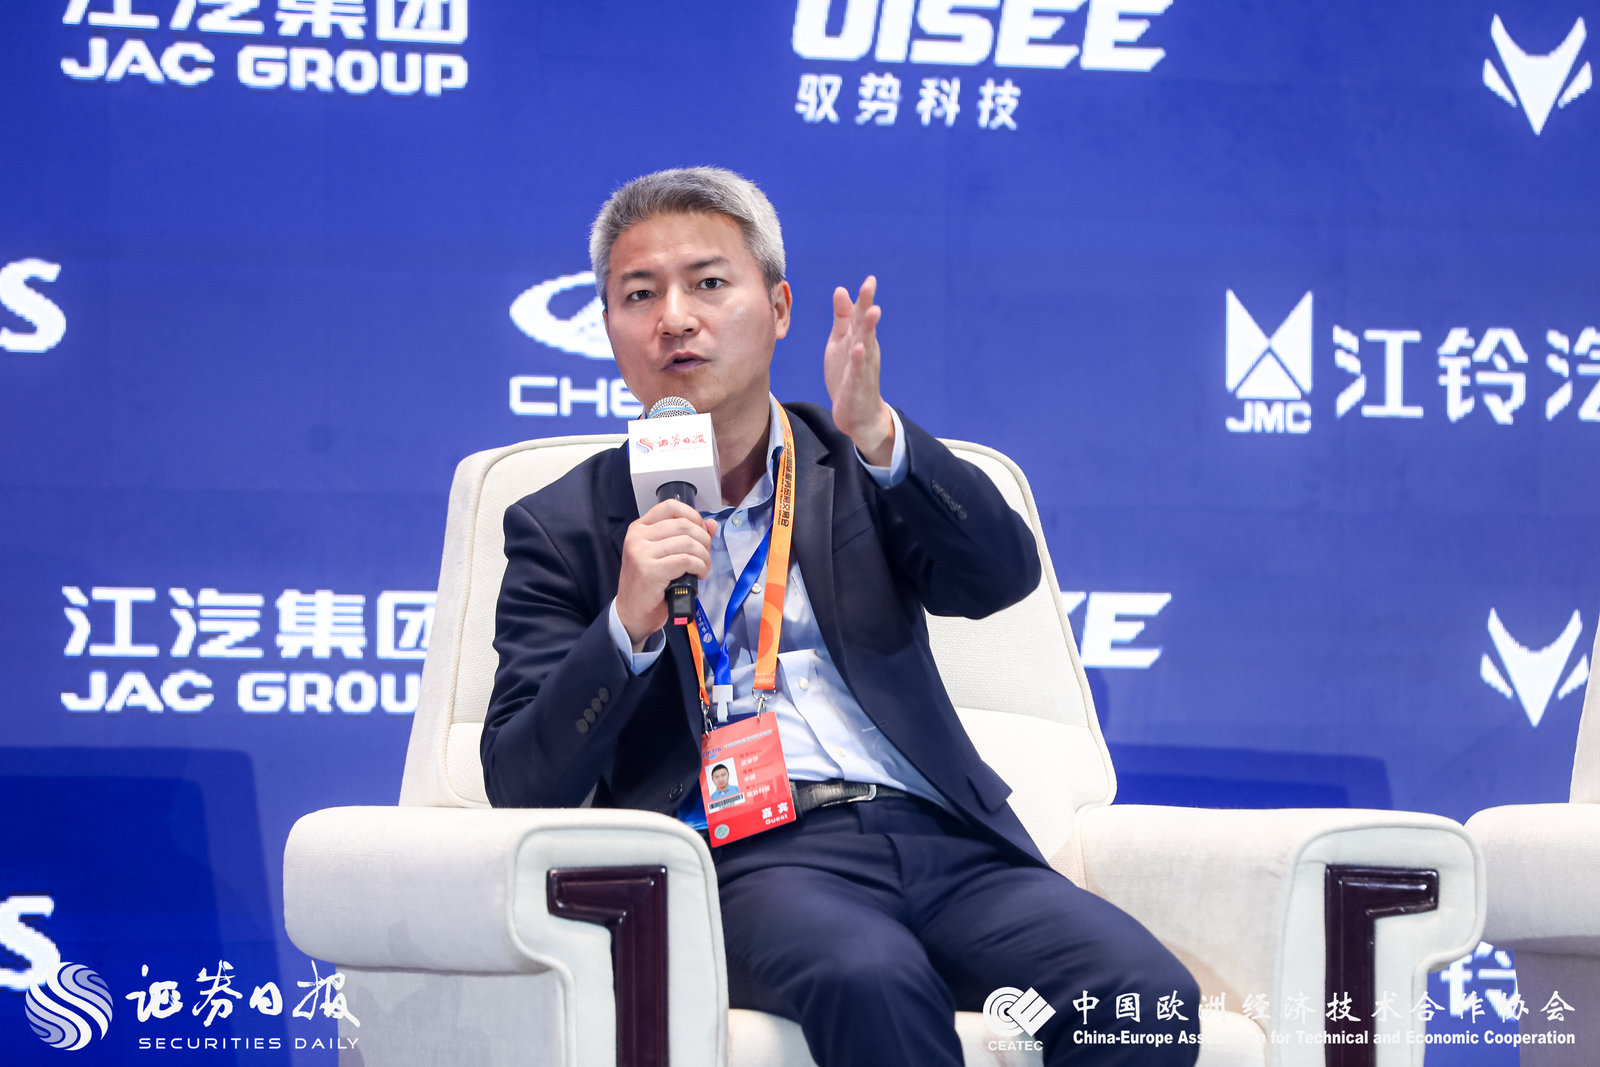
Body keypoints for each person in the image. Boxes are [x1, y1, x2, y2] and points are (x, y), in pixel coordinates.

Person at [481, 166, 1199, 1067]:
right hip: (751, 859)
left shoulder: (853, 461)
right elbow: (520, 779)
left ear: (779, 307)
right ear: (609, 328)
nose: (675, 317)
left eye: (708, 282)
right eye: (640, 294)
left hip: (943, 838)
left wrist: (882, 436)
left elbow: (999, 576)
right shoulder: (563, 525)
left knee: (1143, 997)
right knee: (871, 977)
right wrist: (624, 628)